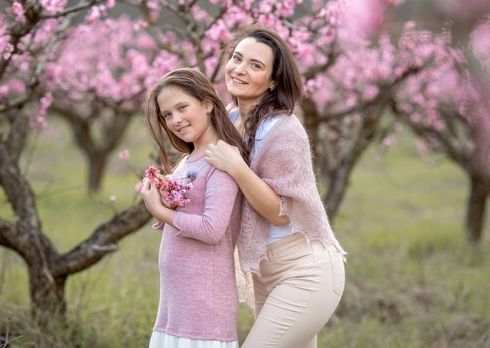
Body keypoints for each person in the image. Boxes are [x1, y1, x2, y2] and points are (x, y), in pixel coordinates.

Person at [205, 26, 346, 348]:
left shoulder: (282, 129)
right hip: (265, 273)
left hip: (304, 272)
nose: (239, 69)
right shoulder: (228, 118)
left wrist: (237, 167)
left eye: (255, 65)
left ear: (272, 81)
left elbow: (282, 213)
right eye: (237, 58)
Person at [140, 67, 249, 348]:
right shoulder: (190, 159)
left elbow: (212, 229)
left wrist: (161, 211)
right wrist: (164, 193)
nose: (175, 120)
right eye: (167, 115)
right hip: (176, 304)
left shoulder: (220, 160)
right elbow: (189, 211)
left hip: (203, 310)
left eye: (182, 107)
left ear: (207, 103)